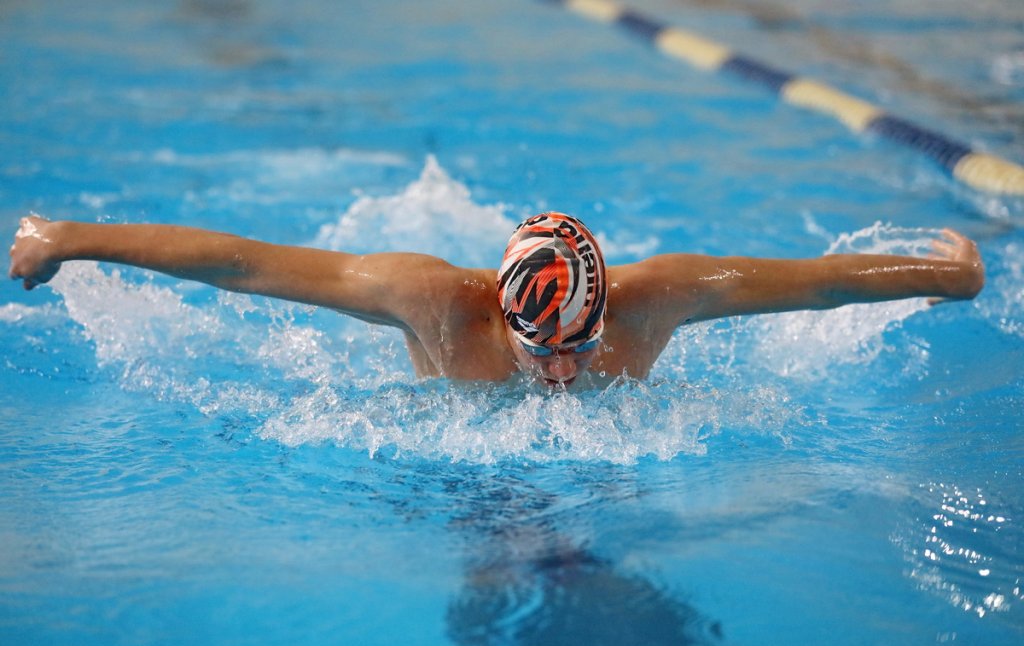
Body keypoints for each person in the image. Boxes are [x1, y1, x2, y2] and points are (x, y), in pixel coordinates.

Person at [8, 212, 984, 388]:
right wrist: (71, 241)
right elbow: (242, 265)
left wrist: (946, 277)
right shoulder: (430, 302)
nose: (563, 372)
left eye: (577, 347)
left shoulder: (661, 297)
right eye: (541, 353)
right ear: (501, 322)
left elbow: (814, 283)